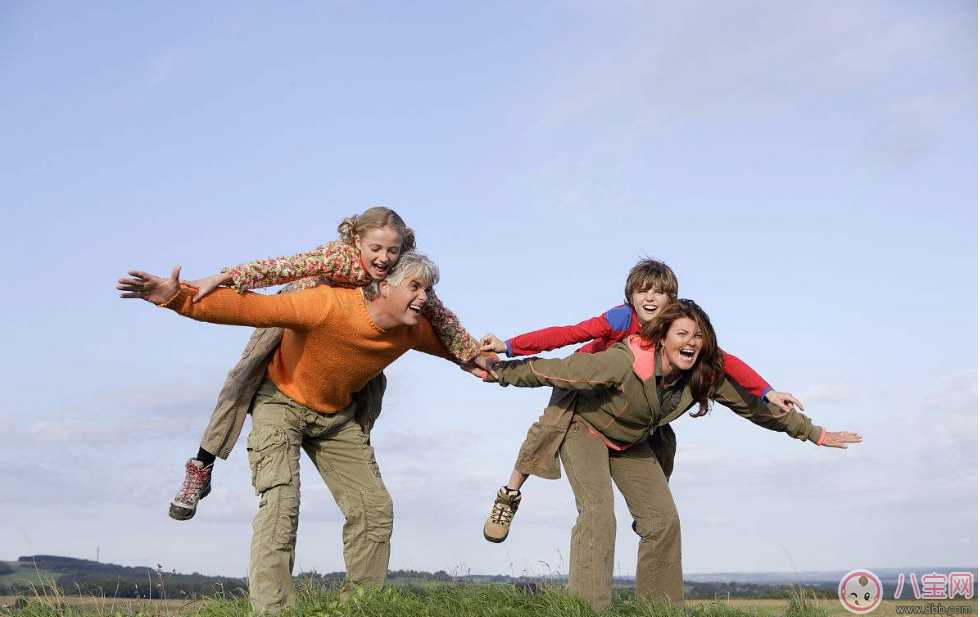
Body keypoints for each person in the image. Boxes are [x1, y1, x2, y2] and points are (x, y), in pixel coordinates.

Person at [119, 252, 484, 614]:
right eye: (415, 287)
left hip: (337, 420)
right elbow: (249, 310)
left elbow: (463, 352)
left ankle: (358, 608)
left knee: (375, 510)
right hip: (280, 403)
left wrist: (504, 361)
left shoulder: (412, 329)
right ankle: (274, 610)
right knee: (281, 506)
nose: (425, 297)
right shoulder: (326, 305)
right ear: (383, 286)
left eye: (428, 289)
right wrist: (173, 297)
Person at [470, 299, 861, 613]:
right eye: (683, 333)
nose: (691, 342)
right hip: (584, 428)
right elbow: (555, 370)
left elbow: (752, 407)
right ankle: (588, 609)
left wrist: (813, 433)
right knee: (598, 514)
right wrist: (496, 372)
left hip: (630, 442)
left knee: (663, 521)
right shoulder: (622, 361)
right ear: (663, 337)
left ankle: (658, 610)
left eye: (699, 336)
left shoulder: (702, 374)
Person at [160, 207, 481, 521]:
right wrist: (224, 277)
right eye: (376, 249)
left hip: (348, 335)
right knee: (245, 376)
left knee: (372, 386)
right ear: (357, 242)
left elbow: (440, 317)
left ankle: (356, 468)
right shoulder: (338, 258)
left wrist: (472, 353)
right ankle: (202, 465)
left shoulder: (404, 273)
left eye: (392, 250)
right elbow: (282, 268)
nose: (384, 258)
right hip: (298, 315)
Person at [477, 259, 803, 542]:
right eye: (642, 290)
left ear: (671, 300)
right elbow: (568, 334)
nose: (649, 297)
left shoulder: (679, 329)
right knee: (549, 428)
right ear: (631, 296)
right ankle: (510, 495)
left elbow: (724, 360)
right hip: (585, 381)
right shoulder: (623, 319)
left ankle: (647, 513)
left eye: (658, 292)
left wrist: (766, 391)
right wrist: (508, 345)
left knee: (663, 439)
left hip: (630, 398)